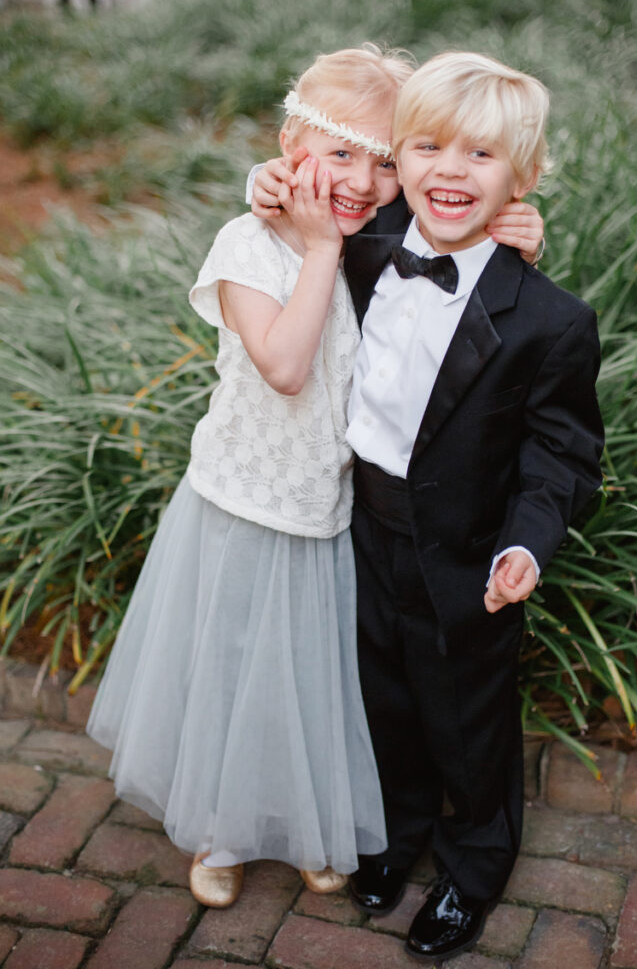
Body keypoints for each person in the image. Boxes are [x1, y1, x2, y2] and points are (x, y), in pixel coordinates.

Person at [253, 51, 602, 962]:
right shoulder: (363, 251)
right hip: (363, 526)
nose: (450, 170)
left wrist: (527, 543)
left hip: (468, 550)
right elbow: (300, 199)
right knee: (384, 699)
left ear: (521, 180)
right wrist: (265, 179)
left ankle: (475, 864)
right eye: (428, 148)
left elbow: (561, 448)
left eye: (482, 157)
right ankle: (394, 832)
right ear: (398, 163)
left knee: (466, 717)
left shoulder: (548, 319)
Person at [87, 46, 412, 908]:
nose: (362, 178)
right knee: (230, 666)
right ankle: (221, 830)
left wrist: (512, 223)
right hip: (237, 501)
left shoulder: (366, 233)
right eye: (339, 152)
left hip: (320, 507)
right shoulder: (250, 243)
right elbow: (283, 365)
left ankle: (306, 821)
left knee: (311, 676)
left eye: (383, 160)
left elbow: (454, 206)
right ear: (287, 145)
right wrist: (313, 246)